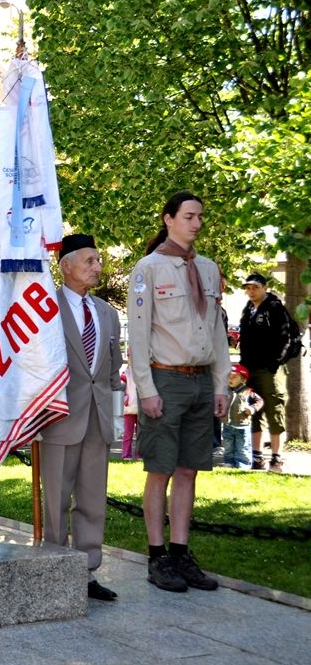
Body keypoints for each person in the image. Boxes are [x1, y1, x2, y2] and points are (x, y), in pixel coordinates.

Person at [127, 191, 229, 593]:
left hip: (202, 381)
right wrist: (146, 390)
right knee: (161, 470)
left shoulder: (207, 268)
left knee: (189, 470)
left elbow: (218, 334)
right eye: (189, 216)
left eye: (200, 216)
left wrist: (220, 384)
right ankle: (157, 558)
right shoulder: (147, 269)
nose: (197, 223)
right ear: (169, 219)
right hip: (165, 380)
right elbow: (137, 335)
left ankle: (182, 553)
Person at [39, 233, 123, 602]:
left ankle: (86, 573)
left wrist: (116, 416)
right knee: (56, 497)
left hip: (97, 417)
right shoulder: (44, 308)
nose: (97, 267)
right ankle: (54, 567)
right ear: (66, 266)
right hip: (59, 415)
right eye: (89, 261)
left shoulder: (105, 312)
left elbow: (111, 370)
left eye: (99, 260)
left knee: (92, 497)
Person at [238, 273, 290, 471]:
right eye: (248, 288)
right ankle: (256, 457)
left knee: (274, 410)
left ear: (264, 288)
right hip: (249, 369)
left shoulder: (275, 308)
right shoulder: (248, 309)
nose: (251, 291)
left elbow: (285, 338)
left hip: (270, 370)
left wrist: (275, 363)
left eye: (255, 287)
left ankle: (277, 458)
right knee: (253, 409)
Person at [222, 363, 263, 469]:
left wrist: (252, 409)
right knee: (228, 446)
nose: (230, 378)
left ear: (243, 379)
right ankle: (229, 462)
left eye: (234, 376)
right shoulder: (225, 390)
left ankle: (243, 464)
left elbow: (259, 401)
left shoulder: (248, 392)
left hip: (242, 426)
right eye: (228, 376)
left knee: (243, 447)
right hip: (227, 425)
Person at [122, 362, 139, 460]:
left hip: (141, 408)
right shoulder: (126, 373)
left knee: (140, 434)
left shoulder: (143, 372)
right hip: (129, 408)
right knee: (128, 433)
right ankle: (126, 454)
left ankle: (139, 454)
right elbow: (121, 387)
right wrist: (125, 399)